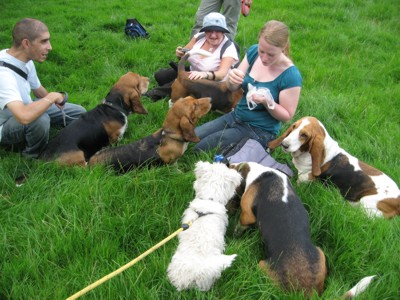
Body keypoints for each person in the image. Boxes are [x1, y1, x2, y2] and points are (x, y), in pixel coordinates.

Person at [193, 20, 302, 152]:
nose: (264, 58)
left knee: (199, 148)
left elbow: (287, 116)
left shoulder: (290, 75)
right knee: (193, 136)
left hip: (259, 129)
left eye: (271, 54)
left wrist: (268, 103)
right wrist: (232, 80)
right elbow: (233, 87)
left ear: (283, 48)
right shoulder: (253, 53)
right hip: (236, 116)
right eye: (262, 51)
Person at [0, 18, 86, 159]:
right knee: (40, 119)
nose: (50, 47)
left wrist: (57, 104)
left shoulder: (24, 59)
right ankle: (34, 156)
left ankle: (72, 141)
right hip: (6, 125)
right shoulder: (3, 75)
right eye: (44, 41)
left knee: (79, 113)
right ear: (26, 43)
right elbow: (23, 116)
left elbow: (38, 90)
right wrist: (51, 97)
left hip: (26, 107)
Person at [146, 12, 239, 101]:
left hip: (212, 83)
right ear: (205, 30)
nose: (213, 35)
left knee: (181, 82)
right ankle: (175, 86)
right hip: (193, 71)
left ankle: (155, 93)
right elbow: (185, 53)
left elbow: (221, 74)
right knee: (161, 75)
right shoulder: (199, 37)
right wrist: (180, 53)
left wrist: (204, 74)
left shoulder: (228, 48)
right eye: (209, 30)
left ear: (223, 32)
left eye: (218, 31)